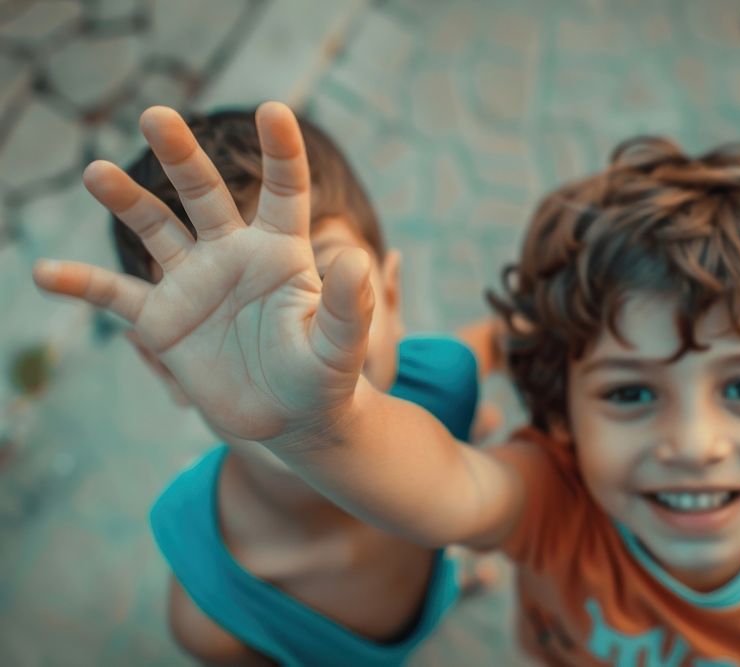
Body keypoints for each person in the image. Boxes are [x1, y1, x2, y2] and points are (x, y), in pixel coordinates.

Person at [34, 103, 740, 666]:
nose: (694, 440)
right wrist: (311, 423)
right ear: (561, 414)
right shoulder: (552, 496)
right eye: (629, 392)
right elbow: (451, 486)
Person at [42, 106, 501, 666]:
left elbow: (497, 340)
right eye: (232, 323)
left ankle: (454, 583)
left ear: (394, 295)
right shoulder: (215, 617)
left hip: (446, 555)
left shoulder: (442, 383)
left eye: (325, 277)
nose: (288, 345)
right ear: (165, 368)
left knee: (453, 560)